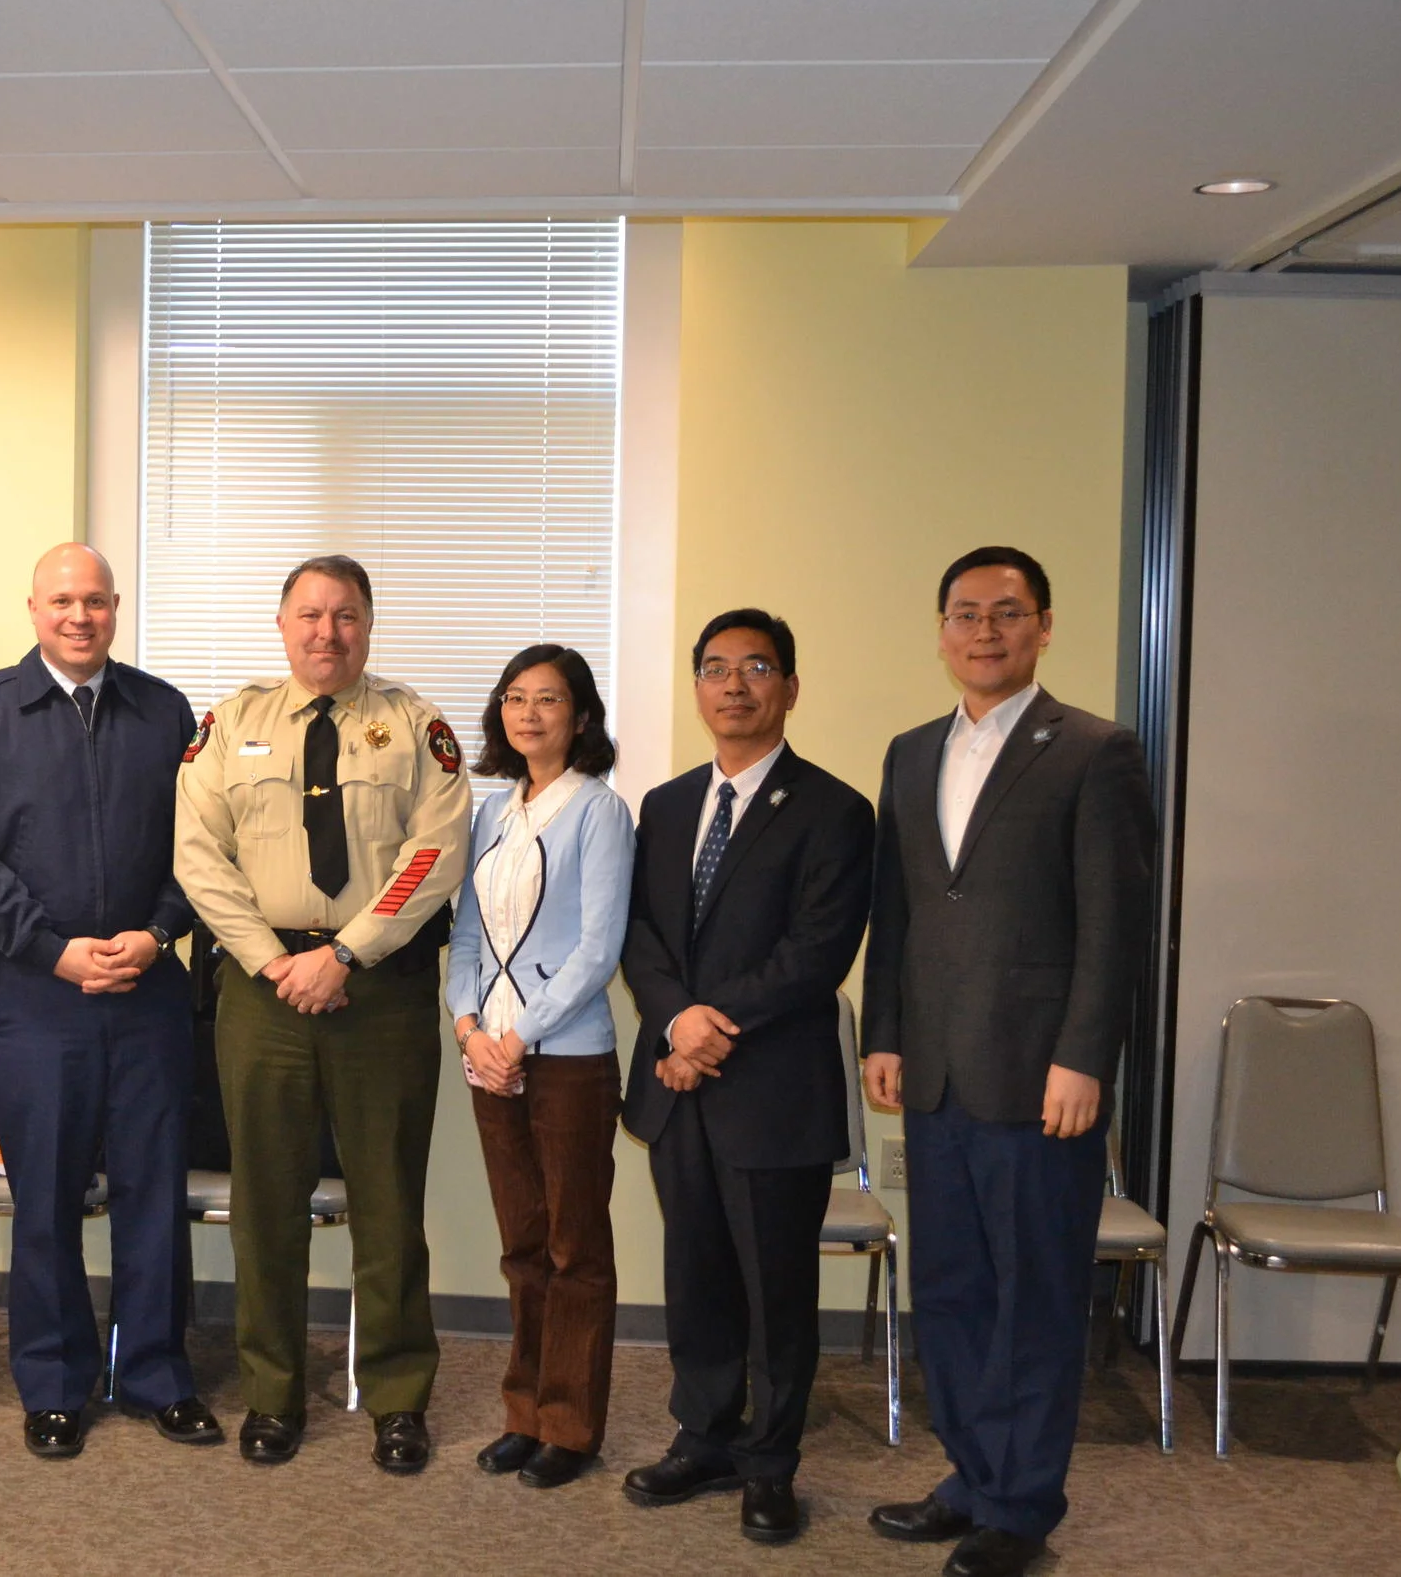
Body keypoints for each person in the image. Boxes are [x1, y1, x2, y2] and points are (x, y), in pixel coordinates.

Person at [861, 547, 1154, 1577]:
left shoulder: (1093, 749)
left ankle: (1021, 1507)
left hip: (1041, 1082)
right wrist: (882, 1031)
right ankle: (971, 1476)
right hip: (935, 1074)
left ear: (1042, 626)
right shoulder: (906, 752)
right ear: (940, 630)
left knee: (1032, 1294)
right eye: (965, 614)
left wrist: (1085, 1057)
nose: (984, 631)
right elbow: (896, 907)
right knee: (948, 1288)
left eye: (1006, 613)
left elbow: (1114, 926)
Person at [175, 554, 471, 1473]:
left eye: (345, 615)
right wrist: (274, 962)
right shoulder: (229, 725)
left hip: (376, 989)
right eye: (309, 614)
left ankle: (394, 1397)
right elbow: (197, 856)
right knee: (267, 1202)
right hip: (261, 992)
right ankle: (272, 1394)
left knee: (389, 1199)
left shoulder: (416, 726)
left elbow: (435, 853)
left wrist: (345, 954)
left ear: (369, 625)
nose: (326, 632)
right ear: (282, 624)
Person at [0, 543, 219, 1459]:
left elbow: (200, 846)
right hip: (37, 995)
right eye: (63, 600)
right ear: (33, 607)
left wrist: (158, 930)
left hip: (146, 990)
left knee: (151, 1191)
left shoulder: (163, 709)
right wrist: (56, 953)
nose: (80, 616)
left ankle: (154, 1374)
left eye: (96, 601)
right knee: (48, 1195)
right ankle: (54, 1385)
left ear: (115, 607)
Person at [617, 608, 875, 1545]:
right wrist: (673, 1020)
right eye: (717, 669)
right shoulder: (669, 803)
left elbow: (817, 952)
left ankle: (772, 1462)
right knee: (695, 1275)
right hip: (679, 1087)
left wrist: (707, 1028)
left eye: (756, 668)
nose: (735, 685)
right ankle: (704, 1436)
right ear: (696, 690)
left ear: (789, 688)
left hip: (771, 1087)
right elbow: (641, 934)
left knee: (776, 1291)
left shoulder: (836, 809)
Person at [444, 645, 633, 1490]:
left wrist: (521, 1036)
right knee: (521, 1243)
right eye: (515, 698)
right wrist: (468, 1025)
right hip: (490, 1056)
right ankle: (523, 1412)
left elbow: (599, 947)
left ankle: (571, 1424)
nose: (529, 714)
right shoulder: (492, 811)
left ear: (581, 716)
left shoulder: (599, 810)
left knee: (574, 1245)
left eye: (548, 699)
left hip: (567, 1060)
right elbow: (467, 935)